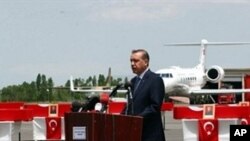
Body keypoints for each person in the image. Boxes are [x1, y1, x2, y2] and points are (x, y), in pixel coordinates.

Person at [122, 49, 166, 141]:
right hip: (135, 133)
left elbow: (155, 106)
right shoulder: (133, 82)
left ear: (146, 62)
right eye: (131, 61)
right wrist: (120, 117)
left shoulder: (155, 80)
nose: (132, 64)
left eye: (136, 61)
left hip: (150, 134)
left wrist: (138, 119)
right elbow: (130, 105)